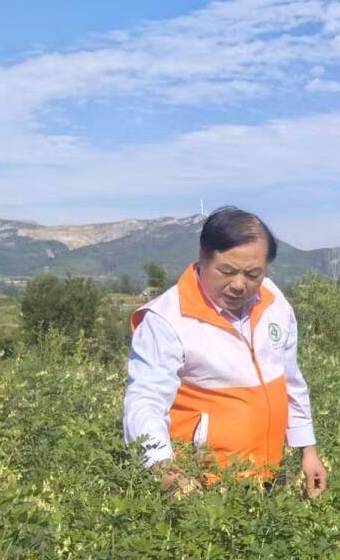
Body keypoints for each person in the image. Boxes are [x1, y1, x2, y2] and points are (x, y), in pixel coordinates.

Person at [123, 207, 328, 498]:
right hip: (202, 487)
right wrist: (163, 468)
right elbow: (145, 401)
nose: (239, 285)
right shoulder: (167, 319)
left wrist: (308, 449)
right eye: (227, 271)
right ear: (203, 256)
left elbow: (290, 381)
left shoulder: (274, 302)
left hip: (270, 472)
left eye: (253, 274)